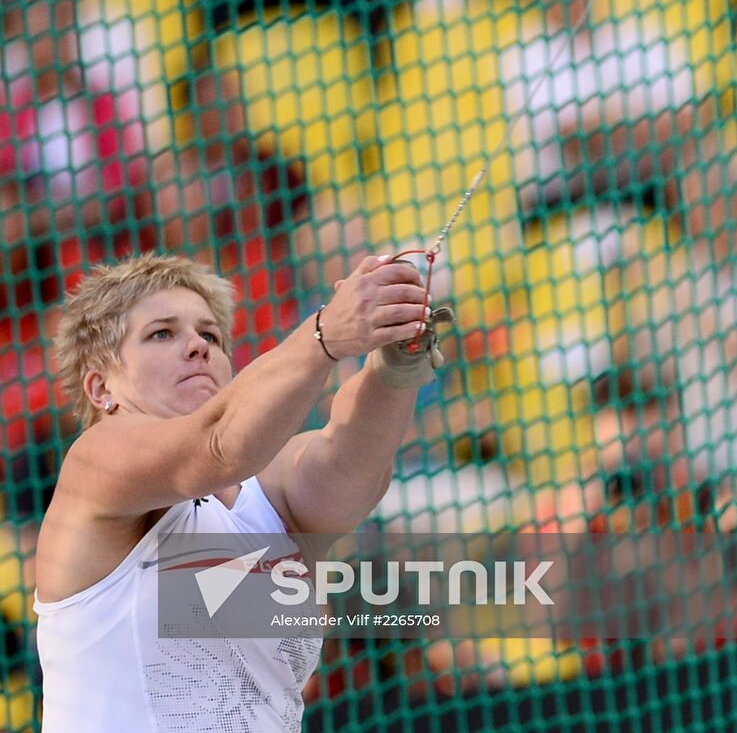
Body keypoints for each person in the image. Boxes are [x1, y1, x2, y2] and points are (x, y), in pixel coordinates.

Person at [33, 251, 452, 732]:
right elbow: (218, 445)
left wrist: (396, 363)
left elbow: (350, 466)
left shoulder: (266, 491)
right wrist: (325, 333)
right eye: (162, 333)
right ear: (100, 386)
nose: (197, 346)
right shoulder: (96, 462)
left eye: (209, 334)